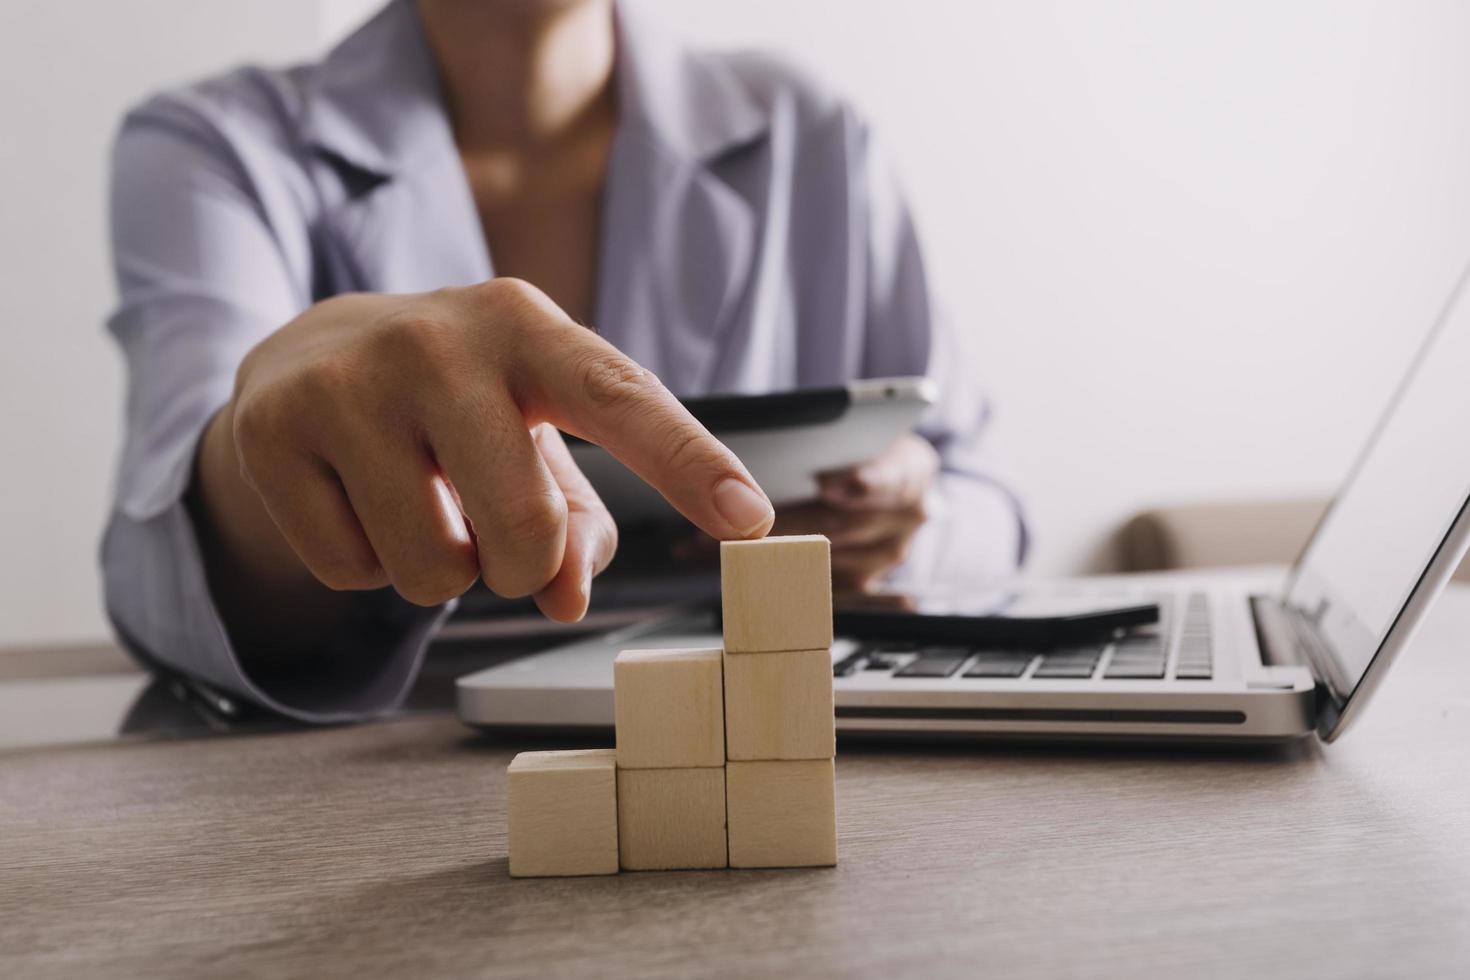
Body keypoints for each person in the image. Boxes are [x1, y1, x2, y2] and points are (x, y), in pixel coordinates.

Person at [102, 0, 1025, 722]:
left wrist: (907, 519)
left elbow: (990, 501)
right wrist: (270, 439)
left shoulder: (811, 132)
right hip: (379, 760)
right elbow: (161, 577)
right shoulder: (211, 144)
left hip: (772, 714)